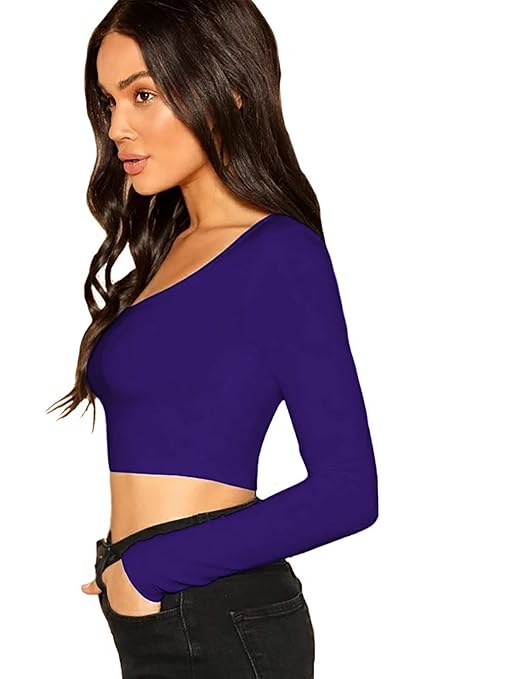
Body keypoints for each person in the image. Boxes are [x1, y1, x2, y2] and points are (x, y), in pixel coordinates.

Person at [46, 0, 379, 676]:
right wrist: (128, 570)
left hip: (217, 608)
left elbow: (348, 490)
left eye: (142, 95)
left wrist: (150, 568)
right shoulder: (165, 250)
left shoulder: (279, 253)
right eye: (109, 101)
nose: (117, 127)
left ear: (229, 89)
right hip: (163, 605)